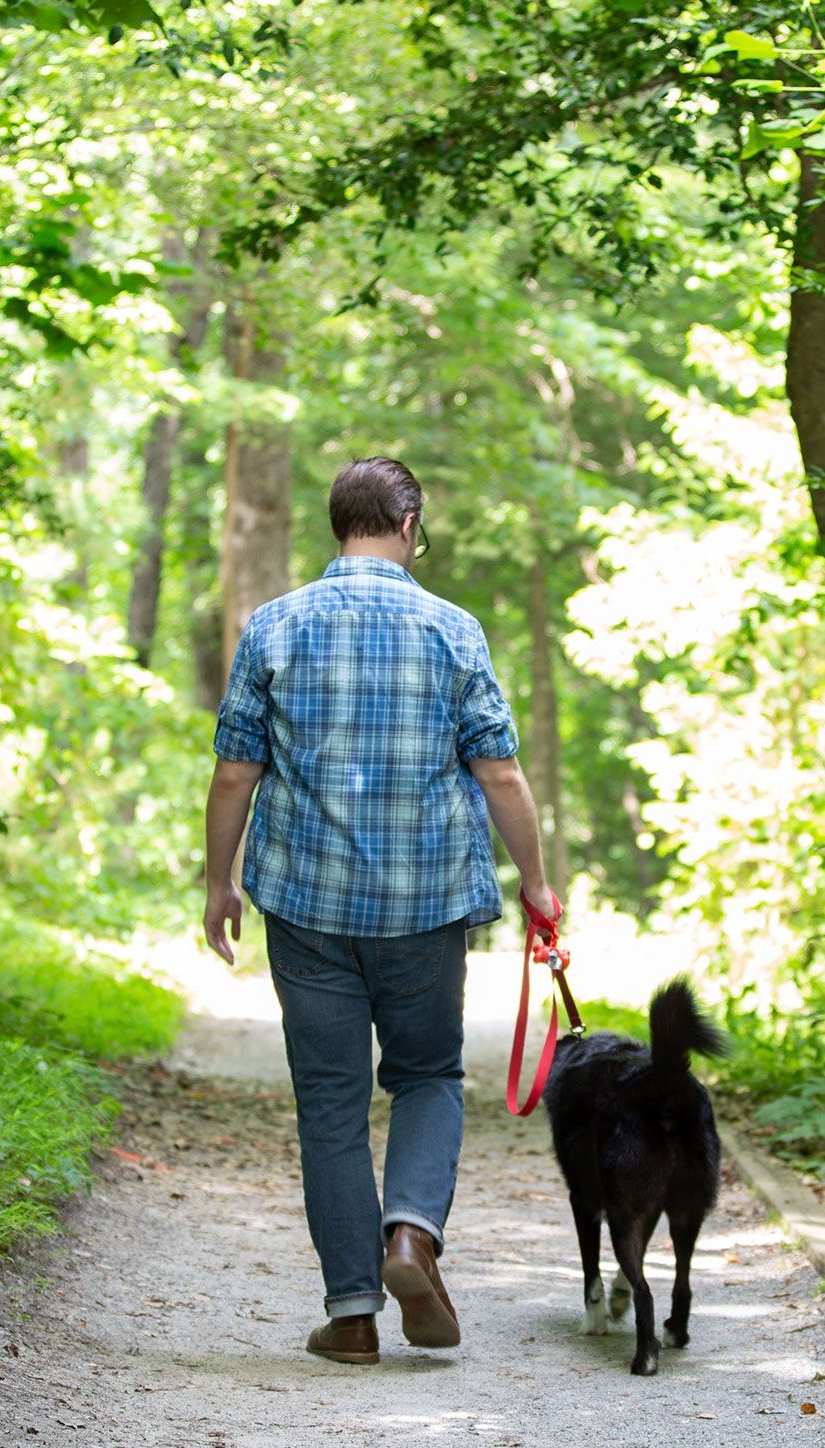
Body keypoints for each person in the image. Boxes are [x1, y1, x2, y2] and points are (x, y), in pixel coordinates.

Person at [202, 455, 557, 1367]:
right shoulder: (453, 629)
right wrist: (536, 882)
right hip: (426, 902)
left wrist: (219, 882)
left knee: (328, 1100)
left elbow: (236, 770)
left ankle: (352, 1314)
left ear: (339, 524)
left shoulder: (273, 627)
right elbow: (500, 771)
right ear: (407, 523)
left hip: (306, 903)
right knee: (428, 1075)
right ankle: (410, 1235)